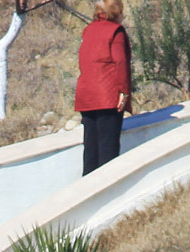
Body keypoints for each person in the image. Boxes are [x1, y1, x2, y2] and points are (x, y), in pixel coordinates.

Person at [75, 0, 132, 175]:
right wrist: (124, 92)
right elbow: (120, 62)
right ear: (116, 12)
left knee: (90, 150)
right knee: (108, 150)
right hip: (107, 96)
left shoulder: (88, 30)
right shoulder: (116, 31)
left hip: (86, 95)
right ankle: (107, 195)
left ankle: (87, 192)